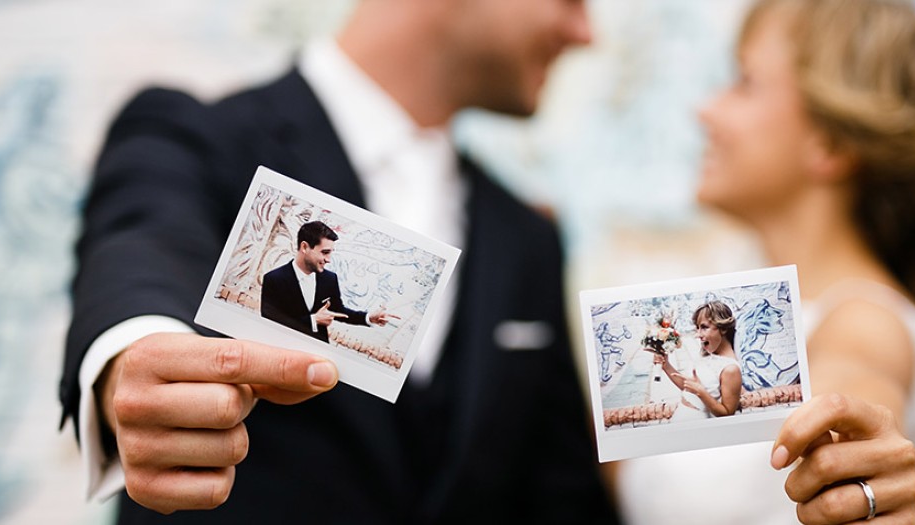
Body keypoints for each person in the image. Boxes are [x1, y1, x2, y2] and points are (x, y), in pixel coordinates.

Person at [58, 0, 617, 523]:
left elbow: (559, 492)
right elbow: (143, 249)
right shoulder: (195, 140)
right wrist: (136, 360)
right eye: (570, 0)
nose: (586, 34)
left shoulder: (527, 237)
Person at [618, 0, 915, 523]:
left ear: (830, 141)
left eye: (743, 82)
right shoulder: (727, 316)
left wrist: (859, 440)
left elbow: (856, 383)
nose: (704, 110)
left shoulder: (867, 323)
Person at [259, 221, 395, 342]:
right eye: (325, 252)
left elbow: (338, 311)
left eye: (331, 253)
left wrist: (369, 317)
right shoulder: (273, 279)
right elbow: (270, 320)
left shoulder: (329, 279)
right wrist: (313, 320)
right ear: (305, 247)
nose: (329, 259)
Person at [650, 301, 743, 420]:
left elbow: (727, 413)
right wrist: (665, 365)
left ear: (723, 329)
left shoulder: (731, 369)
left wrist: (701, 391)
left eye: (704, 327)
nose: (698, 335)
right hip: (680, 416)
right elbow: (688, 386)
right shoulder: (707, 354)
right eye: (697, 328)